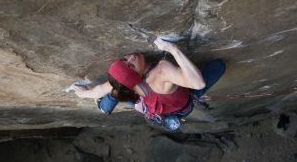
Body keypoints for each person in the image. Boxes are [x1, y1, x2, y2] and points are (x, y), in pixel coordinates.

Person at [73, 38, 225, 131]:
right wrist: (173, 49)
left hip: (145, 106)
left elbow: (98, 90)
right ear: (136, 76)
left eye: (125, 60)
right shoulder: (161, 71)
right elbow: (198, 83)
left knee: (117, 91)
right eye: (131, 65)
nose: (132, 57)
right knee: (219, 67)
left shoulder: (123, 82)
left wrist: (81, 92)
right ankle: (109, 102)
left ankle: (106, 105)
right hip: (182, 105)